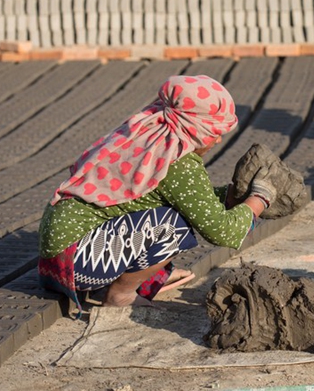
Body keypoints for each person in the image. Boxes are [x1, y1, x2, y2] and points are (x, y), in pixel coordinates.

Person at [38, 75, 275, 313]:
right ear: (196, 129)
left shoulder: (150, 134)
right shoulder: (178, 161)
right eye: (214, 132)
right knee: (174, 225)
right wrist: (259, 200)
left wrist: (231, 196)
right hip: (78, 266)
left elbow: (182, 198)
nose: (219, 139)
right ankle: (120, 293)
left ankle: (145, 277)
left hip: (56, 261)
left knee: (171, 211)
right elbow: (223, 231)